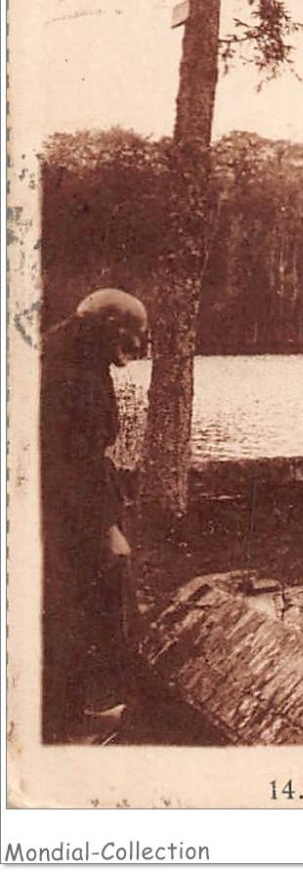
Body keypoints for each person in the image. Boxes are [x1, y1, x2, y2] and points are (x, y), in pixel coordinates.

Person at [40, 288, 148, 742]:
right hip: (66, 512)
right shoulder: (72, 373)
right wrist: (107, 527)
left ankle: (66, 713)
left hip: (61, 504)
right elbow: (75, 459)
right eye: (134, 335)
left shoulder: (70, 356)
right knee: (67, 610)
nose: (139, 347)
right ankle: (63, 725)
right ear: (107, 326)